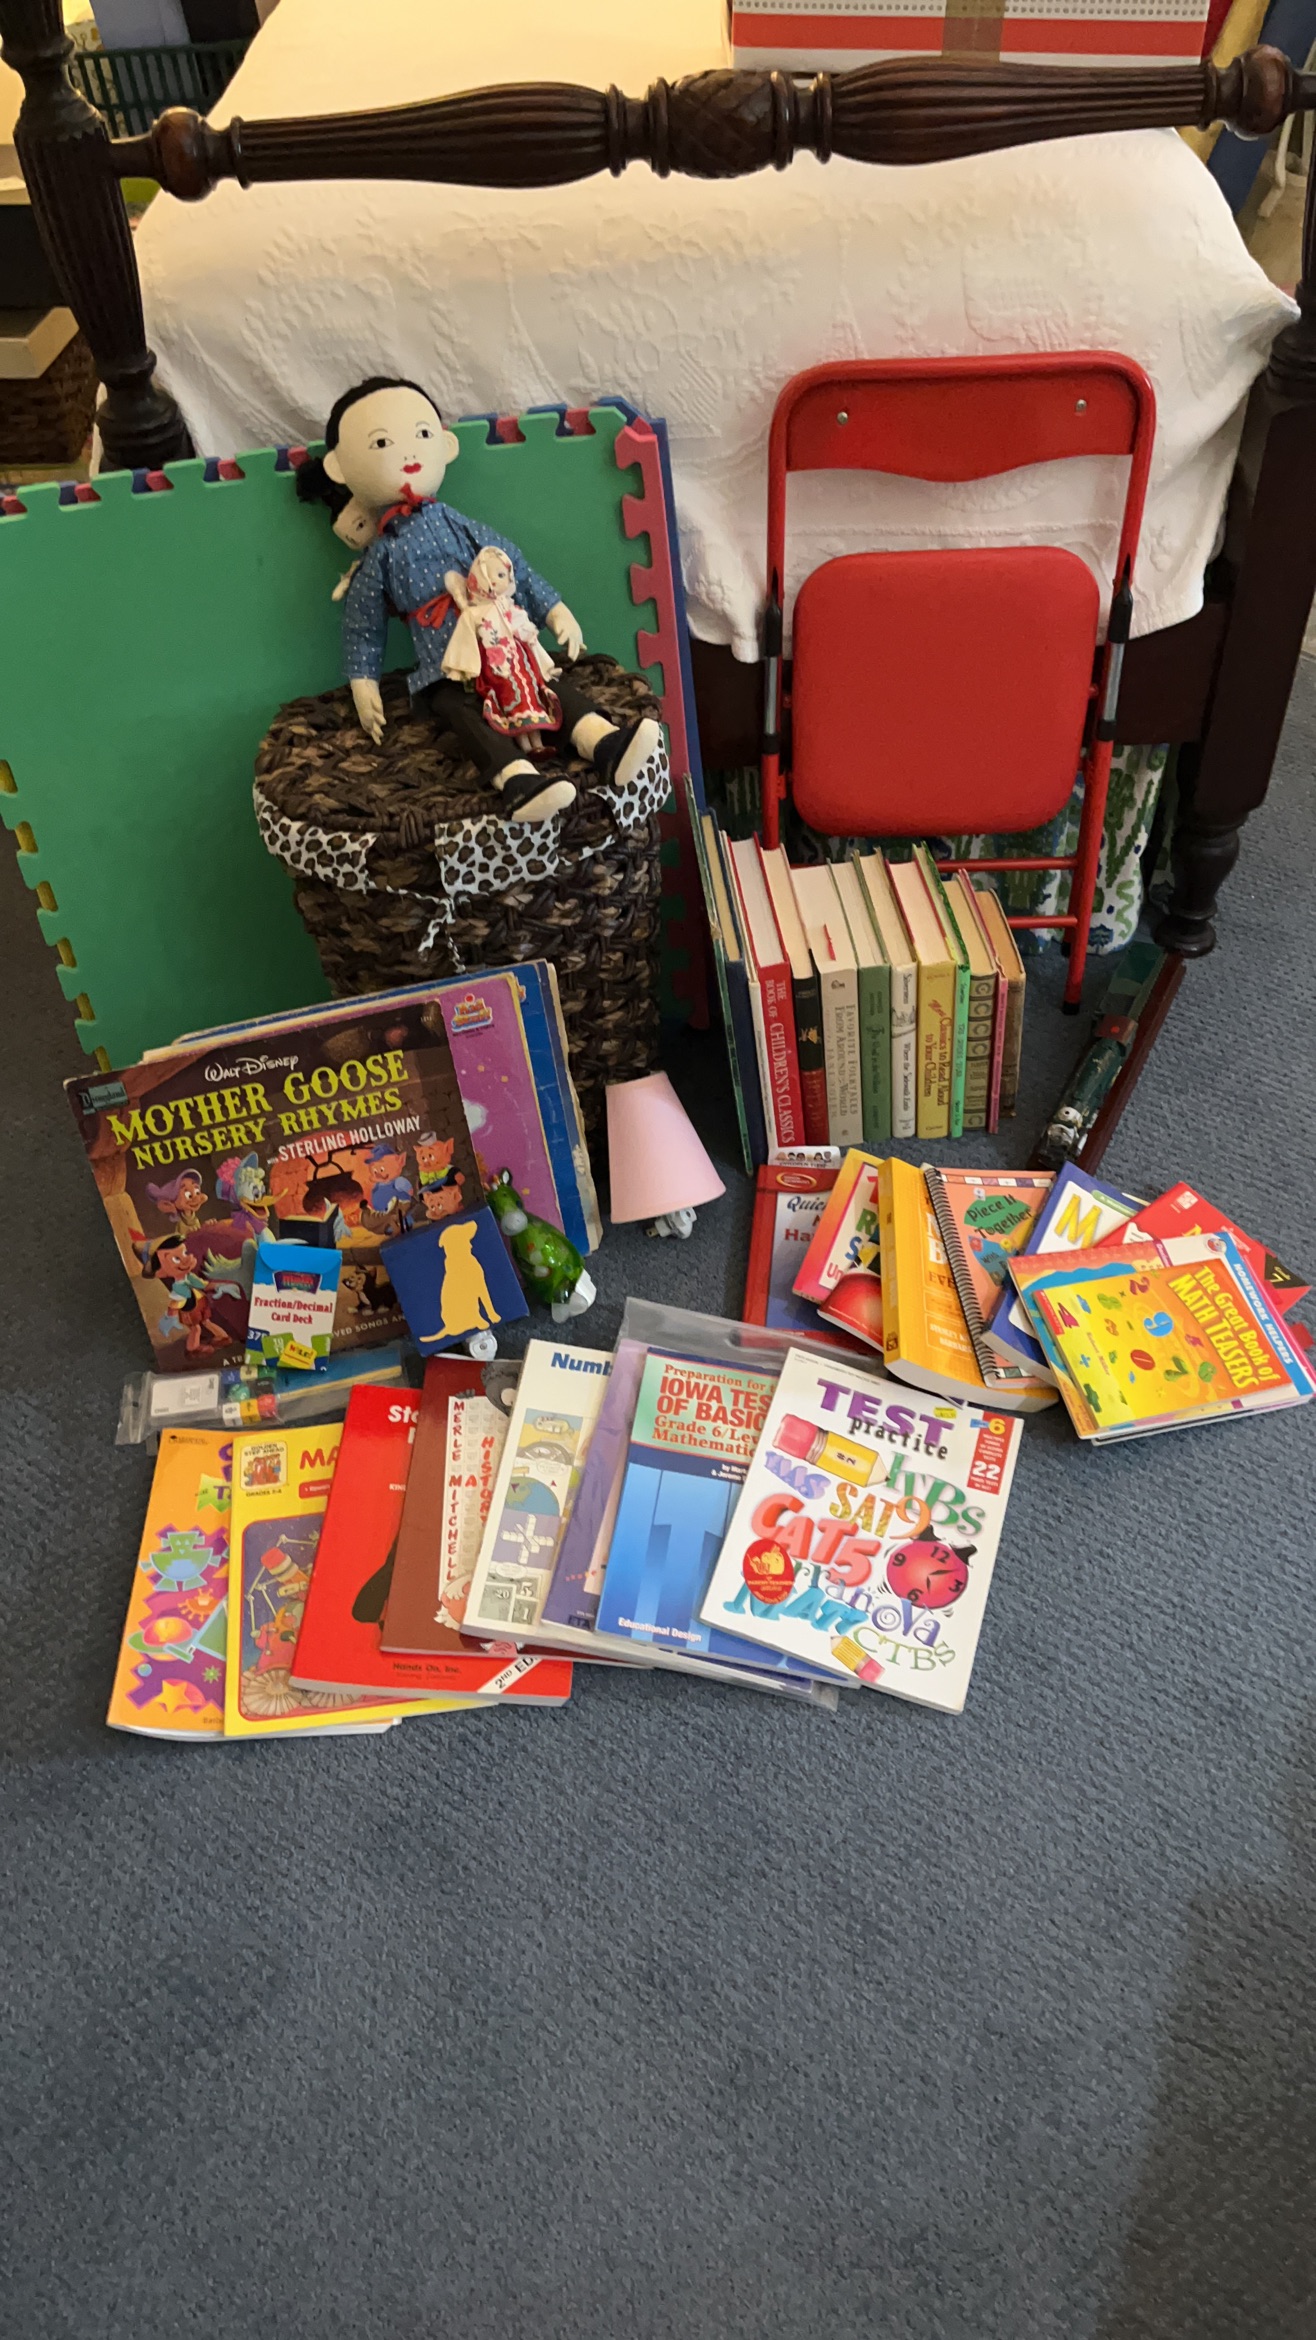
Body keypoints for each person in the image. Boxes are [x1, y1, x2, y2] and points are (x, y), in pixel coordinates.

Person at [297, 376, 662, 824]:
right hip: (445, 668)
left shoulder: (457, 523)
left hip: (502, 646)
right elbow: (363, 621)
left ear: (445, 445)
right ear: (339, 468)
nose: (408, 453)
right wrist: (362, 679)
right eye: (382, 443)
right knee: (461, 712)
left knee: (545, 687)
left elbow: (510, 563)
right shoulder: (382, 556)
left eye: (422, 434)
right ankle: (517, 780)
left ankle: (604, 741)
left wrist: (554, 609)